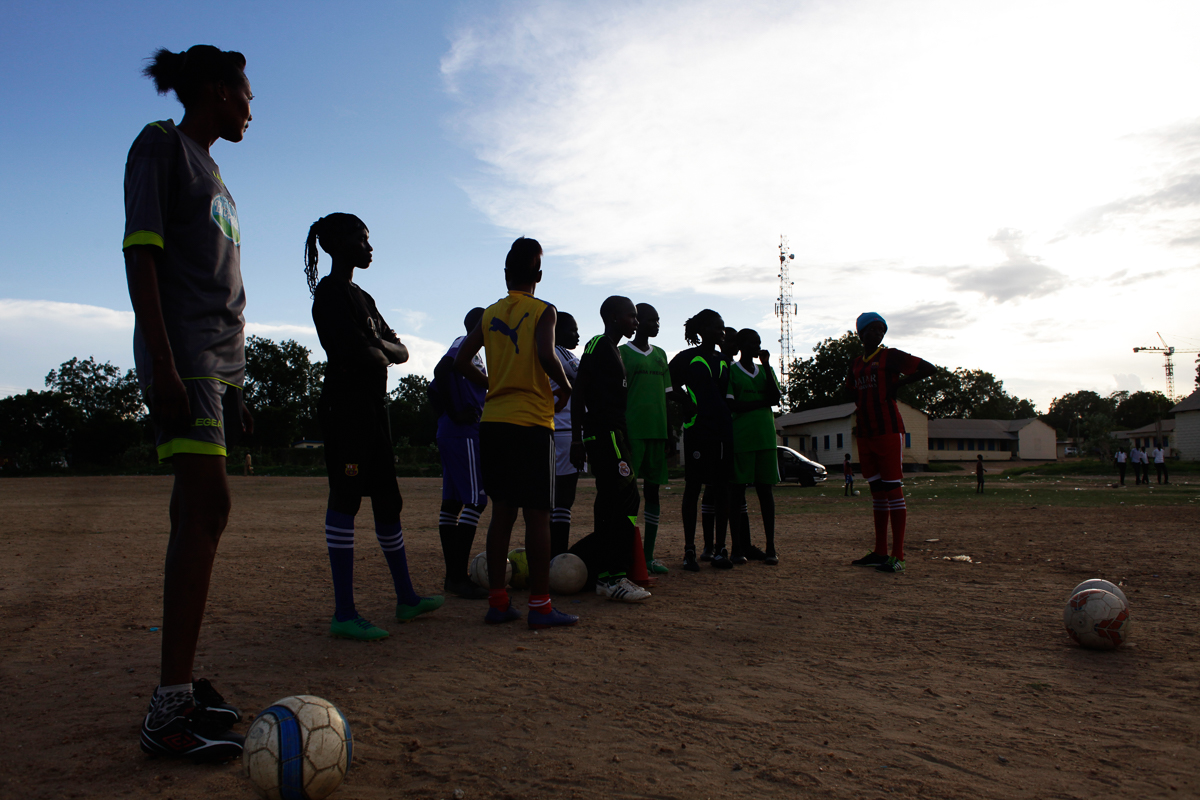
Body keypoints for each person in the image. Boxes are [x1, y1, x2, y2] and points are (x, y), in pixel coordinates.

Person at [125, 44, 254, 761]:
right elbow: (141, 254)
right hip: (185, 359)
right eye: (244, 94)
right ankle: (168, 710)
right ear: (213, 91)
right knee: (208, 509)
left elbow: (217, 283)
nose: (250, 107)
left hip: (216, 368)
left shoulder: (217, 175)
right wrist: (167, 366)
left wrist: (238, 386)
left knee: (197, 511)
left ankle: (181, 689)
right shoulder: (160, 146)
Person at [306, 214, 444, 641]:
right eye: (361, 240)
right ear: (335, 245)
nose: (369, 247)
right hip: (345, 411)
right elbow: (364, 354)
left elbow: (399, 352)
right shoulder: (329, 294)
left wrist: (377, 346)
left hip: (372, 410)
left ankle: (406, 598)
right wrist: (379, 348)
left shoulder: (362, 296)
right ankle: (344, 613)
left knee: (389, 500)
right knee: (346, 500)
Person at [454, 237, 579, 629]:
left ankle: (498, 601)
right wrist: (565, 385)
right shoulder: (544, 310)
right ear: (538, 275)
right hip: (531, 423)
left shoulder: (490, 313)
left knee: (502, 515)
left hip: (494, 423)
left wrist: (491, 383)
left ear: (506, 273)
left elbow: (461, 360)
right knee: (538, 517)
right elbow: (546, 354)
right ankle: (540, 606)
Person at [569, 297, 651, 602]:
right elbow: (579, 392)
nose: (636, 322)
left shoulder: (614, 349)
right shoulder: (598, 344)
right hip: (603, 435)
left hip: (615, 434)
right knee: (626, 497)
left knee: (613, 501)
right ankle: (613, 576)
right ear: (614, 317)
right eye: (632, 316)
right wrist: (576, 439)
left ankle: (607, 576)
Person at [845, 312, 936, 573]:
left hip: (888, 429)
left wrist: (900, 384)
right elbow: (849, 389)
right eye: (872, 330)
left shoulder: (891, 356)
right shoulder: (855, 364)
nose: (877, 334)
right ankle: (880, 551)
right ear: (860, 333)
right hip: (865, 431)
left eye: (881, 330)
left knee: (892, 488)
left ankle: (898, 556)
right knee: (876, 491)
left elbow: (929, 368)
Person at [431, 307, 490, 599]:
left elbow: (432, 390)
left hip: (452, 432)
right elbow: (441, 371)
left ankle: (453, 577)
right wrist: (455, 412)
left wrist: (445, 416)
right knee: (476, 501)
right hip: (464, 433)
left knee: (452, 504)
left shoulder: (475, 358)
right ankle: (457, 575)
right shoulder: (465, 345)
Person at [669, 310, 734, 571]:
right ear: (703, 329)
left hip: (722, 430)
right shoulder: (686, 358)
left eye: (723, 327)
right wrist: (686, 402)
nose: (722, 331)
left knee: (721, 489)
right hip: (698, 430)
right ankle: (689, 551)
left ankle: (720, 549)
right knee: (693, 488)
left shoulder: (724, 359)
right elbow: (669, 386)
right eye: (718, 327)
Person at [619, 303, 672, 574]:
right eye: (652, 320)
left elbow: (668, 396)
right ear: (638, 322)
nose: (657, 325)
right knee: (628, 495)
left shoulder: (661, 355)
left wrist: (672, 431)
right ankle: (627, 554)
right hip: (633, 433)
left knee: (653, 492)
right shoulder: (622, 353)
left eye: (659, 321)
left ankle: (648, 556)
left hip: (657, 432)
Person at [727, 329, 781, 565]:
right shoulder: (732, 371)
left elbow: (776, 398)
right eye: (750, 343)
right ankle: (737, 548)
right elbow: (734, 405)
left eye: (758, 342)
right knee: (738, 495)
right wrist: (761, 403)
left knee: (765, 494)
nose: (756, 346)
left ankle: (771, 546)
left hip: (766, 439)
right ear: (740, 345)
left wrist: (767, 365)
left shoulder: (764, 370)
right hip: (742, 439)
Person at [549, 312, 582, 557]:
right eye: (572, 330)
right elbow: (586, 381)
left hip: (561, 429)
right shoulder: (559, 352)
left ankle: (555, 552)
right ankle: (557, 554)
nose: (577, 335)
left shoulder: (556, 353)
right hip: (563, 431)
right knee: (563, 498)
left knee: (559, 498)